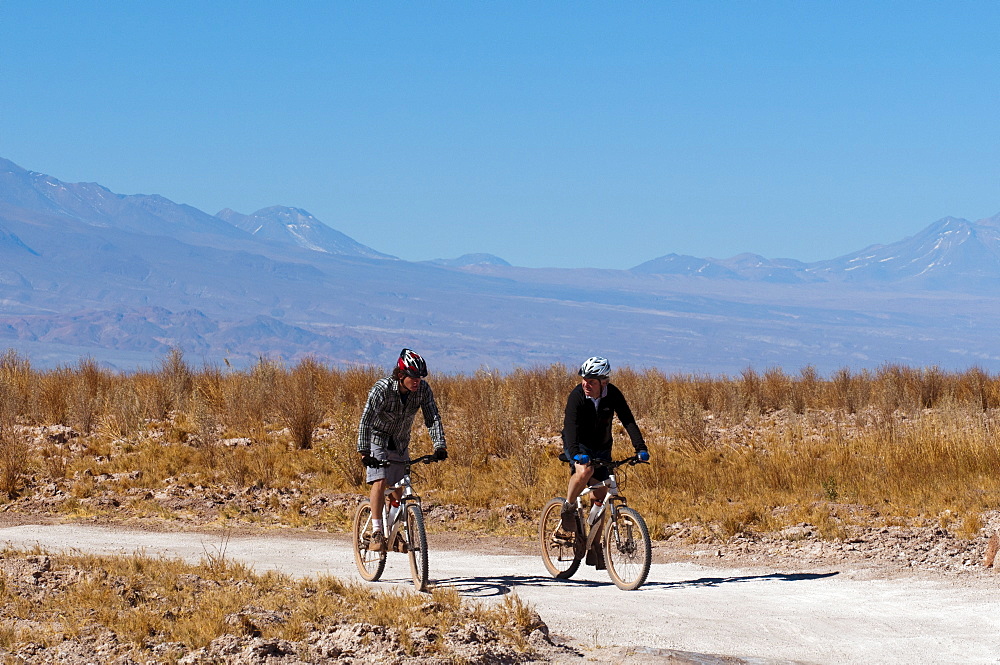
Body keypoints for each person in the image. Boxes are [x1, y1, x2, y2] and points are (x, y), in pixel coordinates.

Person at [357, 348, 448, 552]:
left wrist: (439, 445)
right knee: (380, 480)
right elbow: (366, 420)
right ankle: (377, 531)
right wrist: (364, 453)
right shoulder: (382, 389)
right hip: (377, 440)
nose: (417, 381)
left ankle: (395, 529)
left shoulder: (423, 391)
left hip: (400, 442)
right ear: (400, 375)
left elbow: (432, 418)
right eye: (413, 377)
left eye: (420, 377)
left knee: (399, 486)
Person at [560, 356, 649, 534]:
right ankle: (568, 507)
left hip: (602, 446)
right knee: (585, 471)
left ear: (604, 382)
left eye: (591, 381)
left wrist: (641, 448)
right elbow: (570, 426)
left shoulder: (613, 394)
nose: (586, 384)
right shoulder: (577, 396)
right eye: (584, 380)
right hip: (578, 444)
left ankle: (596, 547)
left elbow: (628, 421)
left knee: (600, 495)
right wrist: (576, 452)